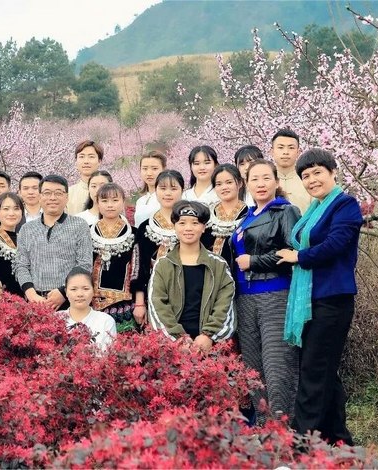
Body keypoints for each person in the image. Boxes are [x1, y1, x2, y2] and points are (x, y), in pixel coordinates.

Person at [275, 149, 364, 446]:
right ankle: (338, 440)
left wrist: (299, 256)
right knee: (325, 371)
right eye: (306, 175)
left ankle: (302, 444)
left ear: (333, 172)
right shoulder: (315, 208)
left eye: (317, 172)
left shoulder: (345, 205)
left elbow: (336, 244)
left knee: (314, 371)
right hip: (311, 300)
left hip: (333, 299)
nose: (312, 180)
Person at [232, 159, 301, 423]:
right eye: (254, 179)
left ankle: (283, 428)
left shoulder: (285, 211)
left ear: (276, 181)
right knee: (253, 367)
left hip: (275, 294)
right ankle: (262, 427)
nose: (260, 184)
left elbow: (292, 252)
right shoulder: (247, 217)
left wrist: (254, 261)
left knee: (277, 365)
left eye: (266, 178)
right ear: (246, 184)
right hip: (245, 298)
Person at [147, 200, 235, 352]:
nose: (188, 228)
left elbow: (225, 305)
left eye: (195, 223)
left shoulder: (219, 265)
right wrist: (179, 339)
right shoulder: (163, 265)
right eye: (182, 223)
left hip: (210, 346)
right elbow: (157, 306)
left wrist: (208, 336)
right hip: (173, 347)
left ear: (204, 227)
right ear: (174, 226)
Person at [15, 174, 93, 311]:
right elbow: (21, 265)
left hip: (70, 300)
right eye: (47, 193)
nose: (52, 198)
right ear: (40, 197)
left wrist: (63, 291)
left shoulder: (80, 225)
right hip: (35, 301)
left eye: (58, 193)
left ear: (66, 197)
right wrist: (31, 294)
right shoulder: (26, 229)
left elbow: (85, 264)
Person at [90, 183, 148, 332]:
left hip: (126, 303)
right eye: (104, 201)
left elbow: (138, 270)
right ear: (97, 203)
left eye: (115, 200)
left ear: (123, 202)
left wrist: (140, 303)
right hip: (92, 302)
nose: (110, 205)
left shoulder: (134, 233)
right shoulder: (88, 232)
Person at [136, 169, 184, 272]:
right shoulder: (145, 227)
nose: (168, 193)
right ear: (156, 191)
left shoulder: (192, 225)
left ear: (182, 191)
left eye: (173, 189)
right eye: (163, 188)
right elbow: (139, 265)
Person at [60, 267, 117, 351]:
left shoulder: (106, 321)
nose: (80, 294)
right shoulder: (55, 318)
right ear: (66, 292)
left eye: (86, 289)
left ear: (93, 291)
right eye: (73, 289)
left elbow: (110, 355)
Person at [202, 164, 248, 264]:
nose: (224, 187)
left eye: (229, 182)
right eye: (218, 184)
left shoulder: (248, 214)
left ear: (240, 183)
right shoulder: (206, 214)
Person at [271, 128, 311, 213]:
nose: (286, 152)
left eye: (291, 148)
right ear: (272, 152)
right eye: (280, 147)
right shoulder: (265, 181)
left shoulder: (308, 180)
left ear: (298, 152)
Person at [67, 140, 104, 215]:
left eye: (91, 157)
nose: (86, 161)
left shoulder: (111, 192)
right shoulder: (68, 193)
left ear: (99, 161)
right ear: (76, 161)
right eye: (81, 156)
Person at [133, 151, 167, 227]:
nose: (149, 173)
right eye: (145, 169)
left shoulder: (167, 198)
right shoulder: (140, 201)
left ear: (164, 169)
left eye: (154, 168)